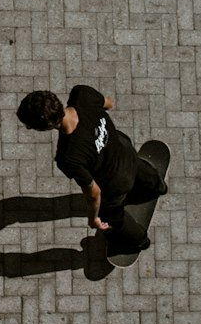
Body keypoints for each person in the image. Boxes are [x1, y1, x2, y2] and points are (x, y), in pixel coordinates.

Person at [15, 84, 166, 251]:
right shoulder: (82, 94)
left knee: (111, 214)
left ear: (48, 126)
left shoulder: (68, 157)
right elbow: (108, 104)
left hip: (116, 183)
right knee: (136, 166)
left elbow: (94, 193)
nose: (29, 128)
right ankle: (157, 186)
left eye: (30, 126)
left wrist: (93, 218)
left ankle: (138, 240)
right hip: (125, 150)